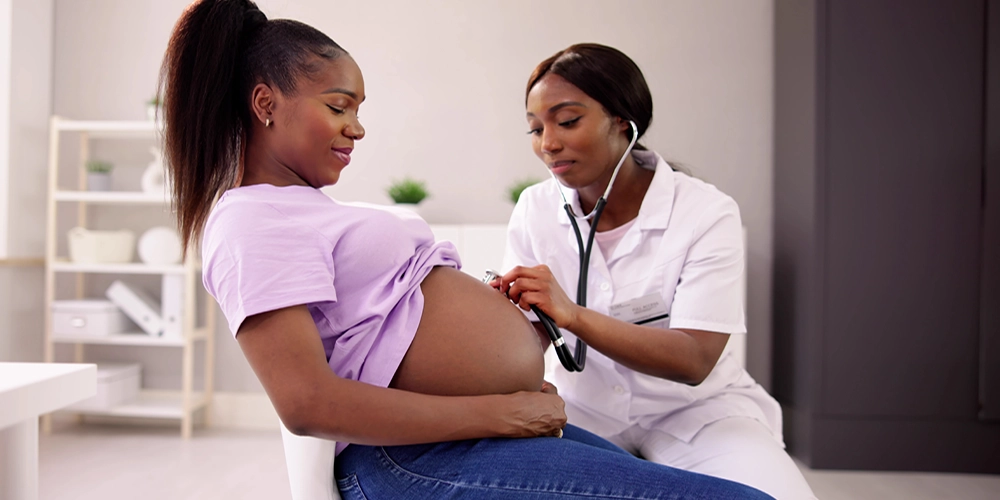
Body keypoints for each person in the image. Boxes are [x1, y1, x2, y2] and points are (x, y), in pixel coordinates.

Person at [159, 1, 773, 499]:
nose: (358, 127)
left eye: (358, 109)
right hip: (413, 458)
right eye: (338, 106)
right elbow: (307, 403)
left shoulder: (306, 210)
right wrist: (500, 413)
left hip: (483, 435)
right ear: (265, 104)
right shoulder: (249, 223)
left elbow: (392, 327)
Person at [497, 44, 817, 500]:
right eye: (535, 128)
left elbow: (694, 360)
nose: (547, 143)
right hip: (582, 410)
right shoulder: (536, 207)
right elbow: (531, 332)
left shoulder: (706, 212)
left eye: (567, 121)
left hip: (697, 414)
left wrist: (572, 315)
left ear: (623, 122)